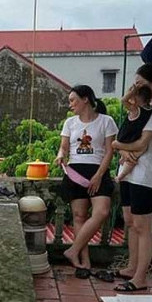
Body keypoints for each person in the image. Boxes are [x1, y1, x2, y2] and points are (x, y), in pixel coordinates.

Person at [112, 63, 152, 292]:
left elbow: (142, 143)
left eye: (140, 82)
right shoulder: (149, 106)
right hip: (132, 171)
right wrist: (123, 150)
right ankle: (131, 267)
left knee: (143, 225)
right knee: (130, 221)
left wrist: (117, 145)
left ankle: (140, 277)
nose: (136, 86)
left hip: (146, 173)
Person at [55, 85, 118, 278]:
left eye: (73, 100)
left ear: (86, 100)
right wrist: (60, 156)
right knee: (79, 216)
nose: (70, 104)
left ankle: (73, 250)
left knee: (101, 212)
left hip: (98, 171)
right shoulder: (70, 123)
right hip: (75, 171)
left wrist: (99, 175)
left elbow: (109, 151)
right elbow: (64, 148)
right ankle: (84, 261)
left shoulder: (106, 121)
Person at [115, 84, 152, 182]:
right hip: (132, 139)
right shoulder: (150, 111)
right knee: (133, 157)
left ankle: (121, 175)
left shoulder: (136, 110)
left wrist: (131, 92)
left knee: (131, 160)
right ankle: (123, 159)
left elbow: (123, 100)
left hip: (127, 139)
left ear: (135, 98)